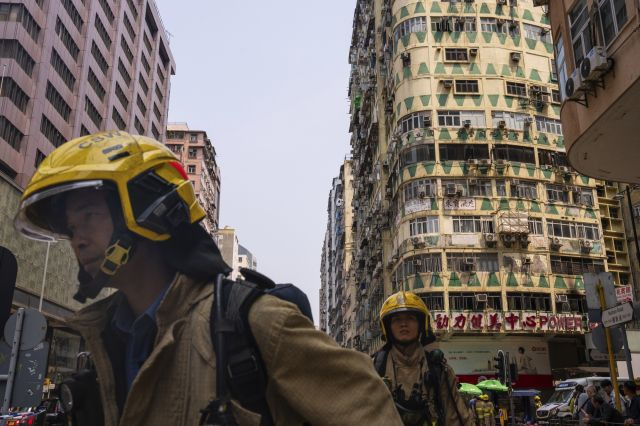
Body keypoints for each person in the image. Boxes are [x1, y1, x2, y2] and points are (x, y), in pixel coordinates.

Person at [14, 131, 404, 426]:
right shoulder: (105, 339)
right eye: (70, 227)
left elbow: (370, 407)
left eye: (89, 216)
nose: (77, 239)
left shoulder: (253, 322)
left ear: (150, 210)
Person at [372, 291, 474, 425]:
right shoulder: (374, 368)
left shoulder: (438, 368)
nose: (404, 324)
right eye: (397, 319)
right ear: (387, 327)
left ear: (421, 324)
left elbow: (455, 416)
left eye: (410, 318)